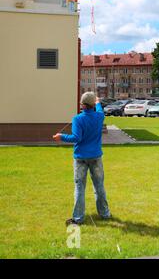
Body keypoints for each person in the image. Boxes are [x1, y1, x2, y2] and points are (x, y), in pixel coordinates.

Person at [53, 92, 111, 225]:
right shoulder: (100, 116)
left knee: (80, 187)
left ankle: (78, 218)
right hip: (96, 156)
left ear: (83, 105)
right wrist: (97, 102)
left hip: (80, 158)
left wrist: (60, 136)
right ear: (93, 105)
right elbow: (100, 109)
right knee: (99, 185)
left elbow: (76, 138)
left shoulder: (77, 119)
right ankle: (105, 213)